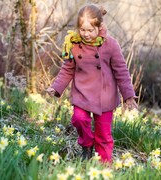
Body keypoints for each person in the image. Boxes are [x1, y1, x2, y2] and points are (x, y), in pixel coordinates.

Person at [46, 4, 138, 164]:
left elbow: (121, 71)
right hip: (82, 93)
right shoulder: (73, 44)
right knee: (78, 119)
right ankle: (86, 145)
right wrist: (56, 87)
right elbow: (67, 69)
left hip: (105, 97)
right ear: (78, 28)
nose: (86, 34)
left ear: (99, 27)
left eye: (90, 30)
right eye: (82, 30)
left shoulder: (110, 44)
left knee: (103, 134)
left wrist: (129, 96)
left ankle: (104, 165)